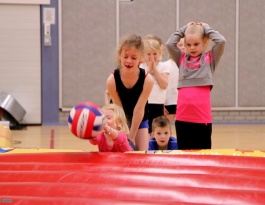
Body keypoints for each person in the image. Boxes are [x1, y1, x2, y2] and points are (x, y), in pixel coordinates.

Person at [166, 22, 226, 150]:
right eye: (188, 44)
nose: (192, 48)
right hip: (183, 118)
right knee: (184, 154)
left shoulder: (210, 59)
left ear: (204, 42)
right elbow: (169, 44)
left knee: (203, 155)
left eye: (196, 44)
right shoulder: (181, 58)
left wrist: (206, 28)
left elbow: (221, 41)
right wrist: (183, 30)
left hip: (202, 118)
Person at [106, 34, 154, 151]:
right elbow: (119, 109)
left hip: (140, 119)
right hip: (119, 119)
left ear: (141, 59)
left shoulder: (147, 80)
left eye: (133, 58)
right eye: (125, 56)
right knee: (119, 152)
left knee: (142, 153)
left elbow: (139, 109)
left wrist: (131, 135)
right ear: (120, 56)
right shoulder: (112, 80)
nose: (128, 61)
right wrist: (124, 132)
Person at [141, 36, 169, 134]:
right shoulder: (141, 67)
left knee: (157, 130)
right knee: (146, 130)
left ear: (160, 54)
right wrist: (149, 69)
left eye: (154, 54)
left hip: (158, 104)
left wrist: (155, 70)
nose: (152, 57)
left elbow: (164, 85)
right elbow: (140, 84)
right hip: (145, 103)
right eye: (148, 54)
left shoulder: (164, 66)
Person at [164, 38, 185, 124]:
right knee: (165, 128)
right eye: (180, 45)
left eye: (185, 45)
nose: (183, 47)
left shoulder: (190, 66)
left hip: (183, 103)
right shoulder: (166, 65)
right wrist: (162, 104)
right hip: (169, 102)